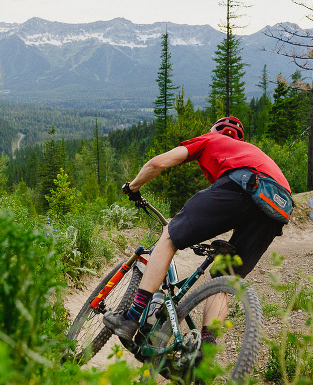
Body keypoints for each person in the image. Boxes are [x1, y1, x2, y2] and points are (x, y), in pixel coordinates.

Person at [104, 116, 290, 345]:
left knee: (170, 236)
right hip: (278, 208)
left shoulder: (209, 139)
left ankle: (130, 319)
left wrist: (133, 187)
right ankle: (204, 352)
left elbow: (157, 163)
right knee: (225, 277)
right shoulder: (252, 151)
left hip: (244, 184)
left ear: (214, 131)